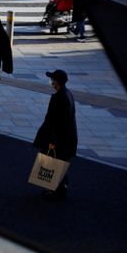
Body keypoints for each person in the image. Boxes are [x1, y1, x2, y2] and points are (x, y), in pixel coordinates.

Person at [33, 69, 77, 199]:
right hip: (67, 138)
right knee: (58, 163)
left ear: (56, 82)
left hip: (59, 139)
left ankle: (56, 192)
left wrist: (52, 141)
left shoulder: (59, 98)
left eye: (52, 79)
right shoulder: (67, 94)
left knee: (53, 162)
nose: (51, 81)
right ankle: (57, 189)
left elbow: (56, 122)